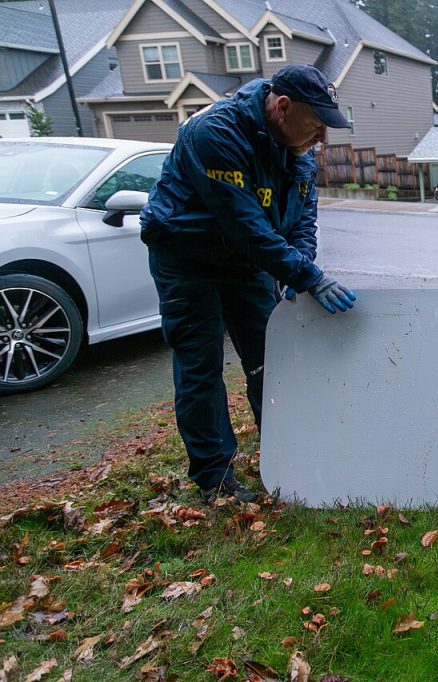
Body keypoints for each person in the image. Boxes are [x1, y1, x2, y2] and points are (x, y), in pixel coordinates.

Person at [140, 64, 357, 504]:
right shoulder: (215, 132)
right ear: (282, 107)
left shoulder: (298, 151)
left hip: (246, 260)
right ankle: (215, 478)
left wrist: (301, 269)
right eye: (315, 126)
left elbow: (302, 219)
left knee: (271, 360)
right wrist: (307, 276)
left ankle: (285, 453)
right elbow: (246, 225)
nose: (321, 140)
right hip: (187, 255)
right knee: (201, 366)